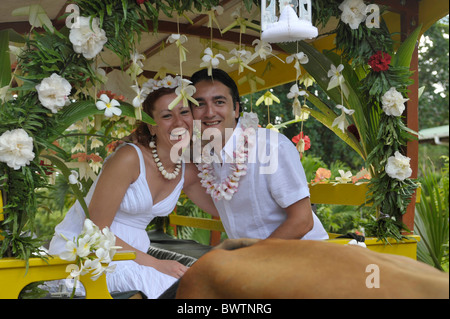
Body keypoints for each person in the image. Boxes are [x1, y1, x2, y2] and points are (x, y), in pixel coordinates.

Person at [48, 76, 217, 298]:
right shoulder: (129, 158)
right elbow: (97, 232)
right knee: (172, 289)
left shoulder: (187, 170)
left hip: (134, 255)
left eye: (184, 112)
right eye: (167, 115)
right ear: (151, 126)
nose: (178, 122)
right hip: (92, 251)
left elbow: (224, 209)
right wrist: (156, 263)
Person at [185, 68, 328, 240]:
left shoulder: (272, 147)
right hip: (250, 259)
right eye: (200, 104)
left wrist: (254, 258)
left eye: (219, 102)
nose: (209, 112)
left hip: (303, 256)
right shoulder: (208, 157)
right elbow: (228, 209)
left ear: (236, 109)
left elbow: (303, 221)